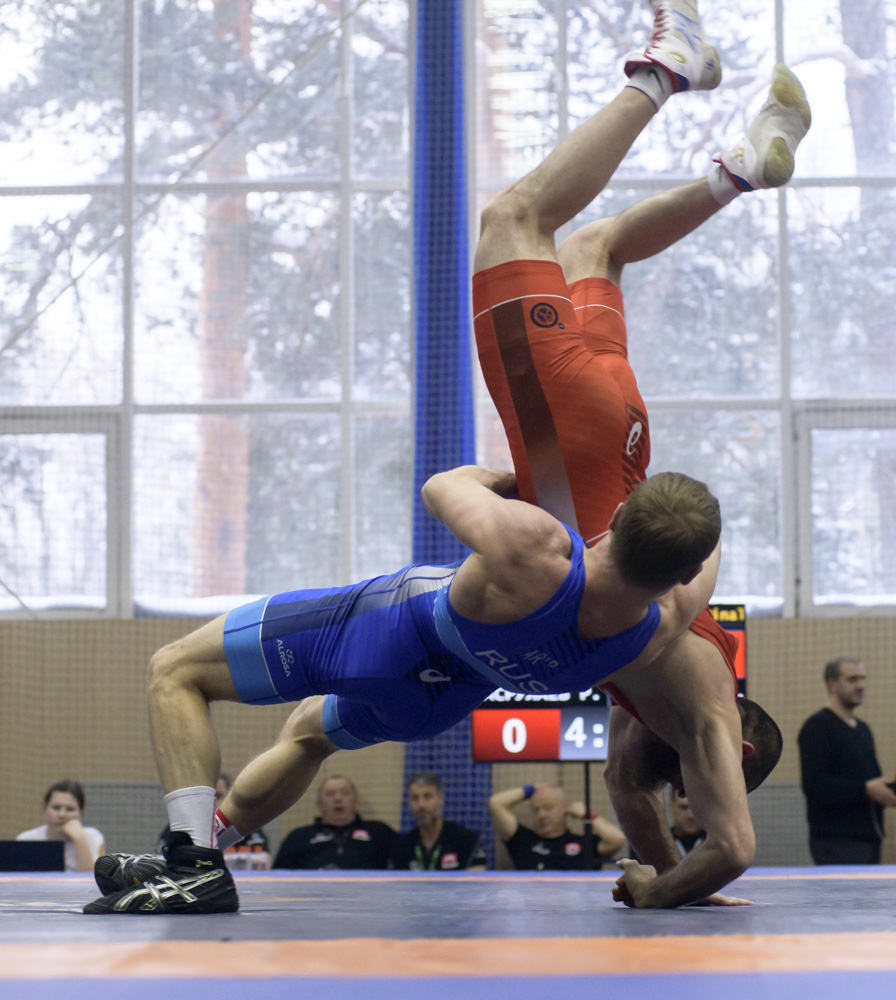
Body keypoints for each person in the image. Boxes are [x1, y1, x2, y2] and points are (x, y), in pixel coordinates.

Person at [82, 0, 785, 916]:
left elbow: (446, 483)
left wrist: (505, 484)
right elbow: (676, 819)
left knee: (530, 221)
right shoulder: (644, 640)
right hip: (442, 685)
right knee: (308, 731)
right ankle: (204, 845)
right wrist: (658, 889)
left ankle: (671, 84)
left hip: (585, 451)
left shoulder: (640, 608)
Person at [471, 0, 804, 906]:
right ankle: (665, 69)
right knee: (514, 217)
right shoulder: (682, 687)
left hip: (624, 437)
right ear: (727, 747)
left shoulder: (666, 685)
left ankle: (735, 172)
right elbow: (732, 849)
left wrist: (661, 870)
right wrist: (664, 892)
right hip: (566, 437)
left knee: (594, 245)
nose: (698, 803)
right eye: (716, 778)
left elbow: (636, 797)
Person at [797, 657, 896, 865]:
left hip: (868, 840)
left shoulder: (863, 729)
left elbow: (868, 779)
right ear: (831, 683)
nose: (861, 685)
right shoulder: (818, 727)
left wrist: (885, 791)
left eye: (863, 679)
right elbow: (815, 786)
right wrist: (866, 789)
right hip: (836, 842)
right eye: (852, 679)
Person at [489, 783, 624, 870]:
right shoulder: (522, 841)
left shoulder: (584, 843)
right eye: (536, 810)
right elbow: (496, 803)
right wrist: (533, 788)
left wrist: (586, 815)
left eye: (548, 808)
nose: (541, 815)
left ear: (565, 809)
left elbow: (617, 839)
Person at [272, 775, 396, 869]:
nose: (337, 798)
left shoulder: (380, 832)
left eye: (345, 793)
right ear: (319, 804)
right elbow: (279, 877)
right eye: (330, 794)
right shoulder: (298, 837)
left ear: (356, 802)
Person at [389, 772, 486, 871]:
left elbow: (478, 880)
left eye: (427, 797)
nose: (421, 805)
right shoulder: (402, 846)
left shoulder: (466, 840)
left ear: (441, 798)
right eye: (415, 798)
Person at [17, 780, 105, 873]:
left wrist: (80, 840)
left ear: (81, 814)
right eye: (56, 808)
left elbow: (92, 880)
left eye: (70, 809)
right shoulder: (26, 839)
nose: (62, 815)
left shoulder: (92, 837)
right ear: (45, 809)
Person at [668, 791, 706, 856]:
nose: (690, 815)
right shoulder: (660, 843)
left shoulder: (718, 843)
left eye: (695, 808)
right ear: (671, 807)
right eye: (684, 807)